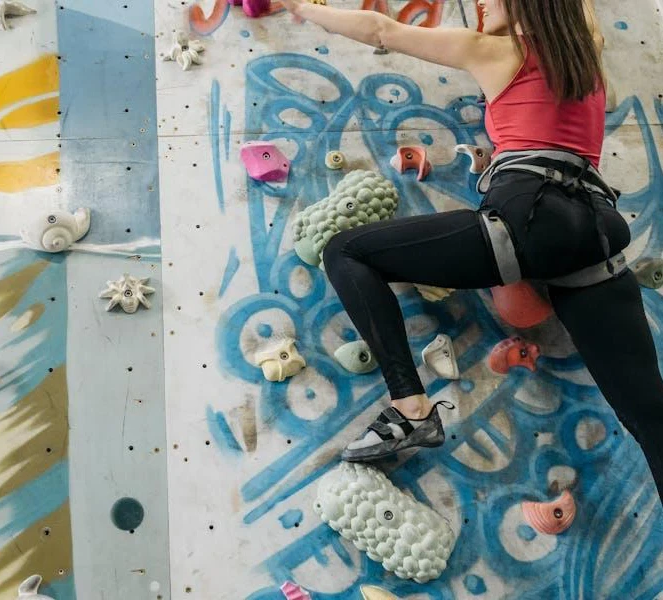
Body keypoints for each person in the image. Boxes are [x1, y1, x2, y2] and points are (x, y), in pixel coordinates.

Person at [280, 0, 663, 502]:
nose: (480, 4)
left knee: (345, 252)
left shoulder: (496, 52)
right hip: (598, 233)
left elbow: (379, 29)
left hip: (532, 220)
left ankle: (411, 407)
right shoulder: (587, 69)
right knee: (650, 416)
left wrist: (298, 7)